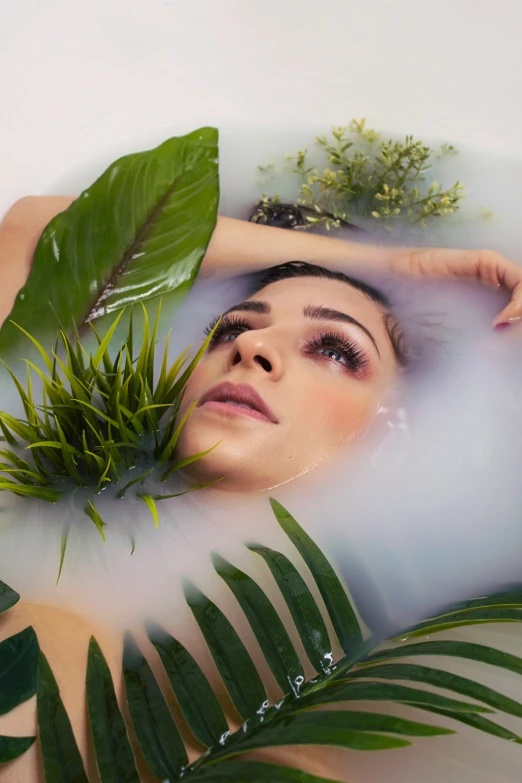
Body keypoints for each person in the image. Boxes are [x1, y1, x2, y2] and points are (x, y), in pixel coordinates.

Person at [1, 196, 522, 782]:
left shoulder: (358, 651)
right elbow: (36, 227)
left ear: (406, 426)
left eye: (333, 349)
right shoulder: (28, 467)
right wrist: (397, 264)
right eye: (232, 328)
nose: (251, 348)